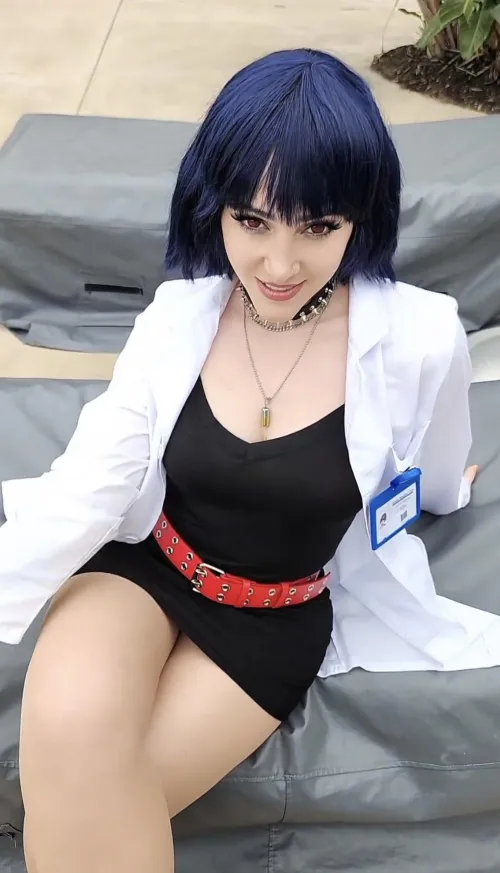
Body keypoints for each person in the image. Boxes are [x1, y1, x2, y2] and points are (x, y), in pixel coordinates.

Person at [0, 47, 489, 873]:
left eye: (318, 226)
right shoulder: (177, 318)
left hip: (269, 620)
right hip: (142, 567)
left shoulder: (419, 336)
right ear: (214, 206)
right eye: (253, 221)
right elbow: (94, 481)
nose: (280, 264)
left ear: (361, 216)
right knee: (73, 739)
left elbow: (438, 463)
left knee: (85, 807)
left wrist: (447, 492)